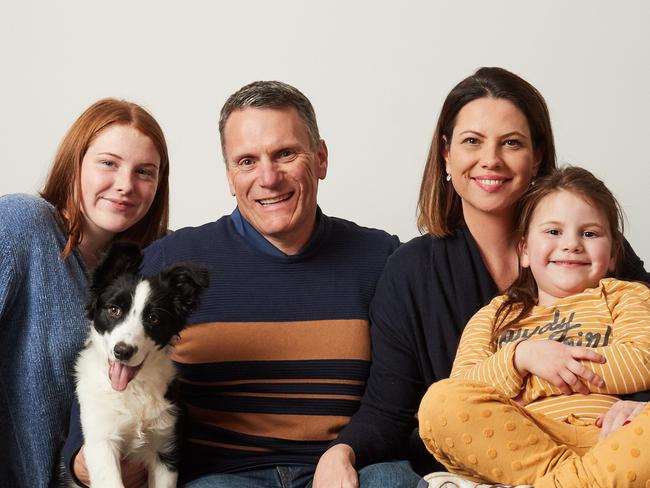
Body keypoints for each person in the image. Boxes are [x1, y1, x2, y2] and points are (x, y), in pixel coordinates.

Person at [66, 81, 424, 487]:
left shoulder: (380, 258)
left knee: (393, 479)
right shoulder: (170, 261)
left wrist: (349, 452)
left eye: (286, 154)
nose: (268, 177)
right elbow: (102, 359)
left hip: (345, 470)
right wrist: (88, 459)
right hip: (223, 476)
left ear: (321, 158)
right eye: (247, 161)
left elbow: (403, 392)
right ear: (230, 176)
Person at [313, 67, 650, 487]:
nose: (490, 159)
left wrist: (642, 409)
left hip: (609, 441)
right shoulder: (413, 272)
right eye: (472, 141)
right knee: (436, 407)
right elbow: (396, 406)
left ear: (538, 157)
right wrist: (342, 450)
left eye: (511, 143)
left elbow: (645, 348)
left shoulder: (593, 248)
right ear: (446, 155)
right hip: (494, 455)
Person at [419, 166, 650, 487]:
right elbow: (464, 387)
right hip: (520, 444)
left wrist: (540, 375)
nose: (571, 244)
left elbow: (639, 361)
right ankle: (579, 481)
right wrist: (521, 358)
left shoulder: (625, 295)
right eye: (554, 231)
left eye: (590, 233)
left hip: (610, 441)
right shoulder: (495, 316)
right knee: (439, 403)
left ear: (612, 254)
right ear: (524, 249)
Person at [0, 98, 170, 487]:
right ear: (74, 162)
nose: (126, 184)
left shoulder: (148, 268)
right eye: (109, 163)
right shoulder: (20, 225)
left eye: (145, 172)